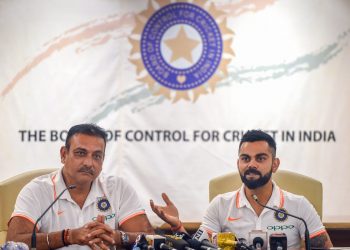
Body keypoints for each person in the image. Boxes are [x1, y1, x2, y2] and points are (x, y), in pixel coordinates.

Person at [150, 130, 333, 249]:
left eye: (260, 158)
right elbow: (196, 246)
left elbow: (324, 247)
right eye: (245, 158)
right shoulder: (220, 205)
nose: (251, 164)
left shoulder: (299, 206)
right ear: (238, 163)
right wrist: (177, 227)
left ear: (275, 164)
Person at [7, 123, 154, 249]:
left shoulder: (118, 188)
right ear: (64, 154)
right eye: (81, 153)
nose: (89, 163)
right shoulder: (36, 191)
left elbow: (151, 239)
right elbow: (14, 243)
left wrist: (117, 237)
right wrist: (67, 236)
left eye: (97, 156)